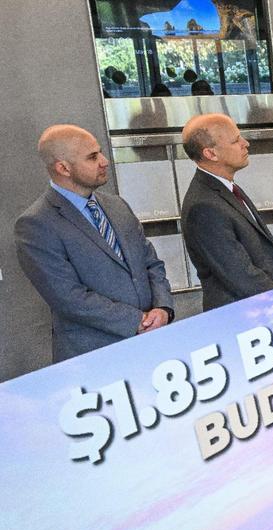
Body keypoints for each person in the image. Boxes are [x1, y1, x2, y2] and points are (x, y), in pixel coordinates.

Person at [15, 124, 174, 363]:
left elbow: (151, 263)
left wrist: (163, 308)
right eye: (93, 157)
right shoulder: (36, 224)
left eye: (100, 152)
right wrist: (136, 321)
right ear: (63, 168)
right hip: (95, 356)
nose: (104, 161)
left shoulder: (117, 206)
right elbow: (68, 298)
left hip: (152, 344)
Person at [181, 113, 273, 310]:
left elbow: (269, 254)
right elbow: (240, 275)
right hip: (246, 314)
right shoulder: (203, 206)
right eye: (236, 140)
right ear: (211, 154)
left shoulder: (226, 188)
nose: (246, 143)